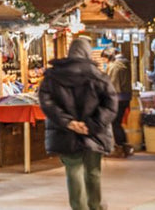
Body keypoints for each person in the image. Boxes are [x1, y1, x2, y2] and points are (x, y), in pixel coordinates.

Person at [38, 38, 116, 210]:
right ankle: (95, 205)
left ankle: (79, 207)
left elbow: (46, 102)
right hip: (94, 132)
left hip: (65, 132)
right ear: (87, 52)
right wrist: (92, 124)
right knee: (93, 172)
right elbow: (110, 105)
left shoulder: (53, 76)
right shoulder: (98, 76)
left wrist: (69, 122)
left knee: (73, 171)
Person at [104, 51, 134, 157]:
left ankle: (120, 147)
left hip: (117, 98)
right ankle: (124, 146)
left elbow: (113, 84)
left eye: (105, 60)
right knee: (118, 122)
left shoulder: (115, 66)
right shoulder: (125, 64)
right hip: (126, 98)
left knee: (115, 122)